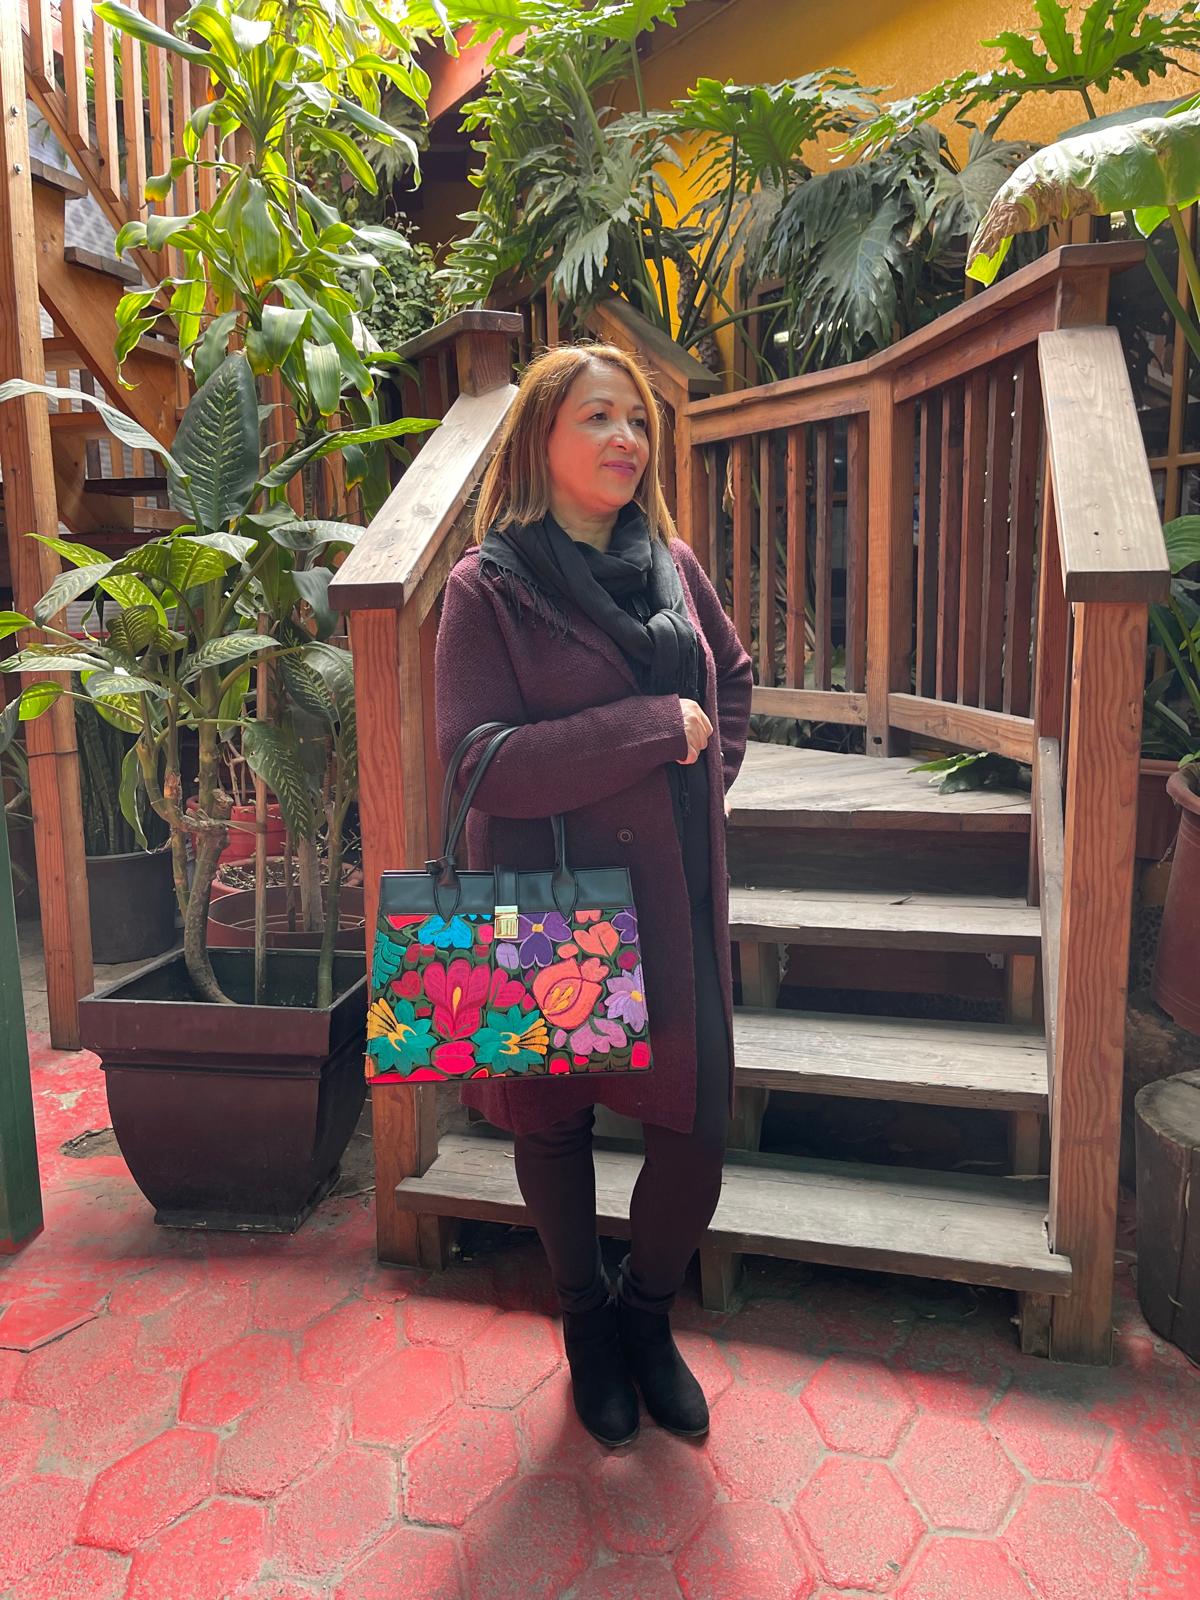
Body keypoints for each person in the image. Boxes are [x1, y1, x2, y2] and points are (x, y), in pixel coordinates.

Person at [434, 342, 753, 1447]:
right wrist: (651, 732)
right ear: (540, 439)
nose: (627, 438)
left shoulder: (670, 559)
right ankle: (584, 1324)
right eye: (598, 417)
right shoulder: (489, 587)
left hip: (674, 892)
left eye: (638, 420)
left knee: (698, 1128)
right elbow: (477, 758)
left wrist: (707, 777)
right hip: (551, 892)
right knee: (556, 1123)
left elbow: (735, 676)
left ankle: (646, 1315)